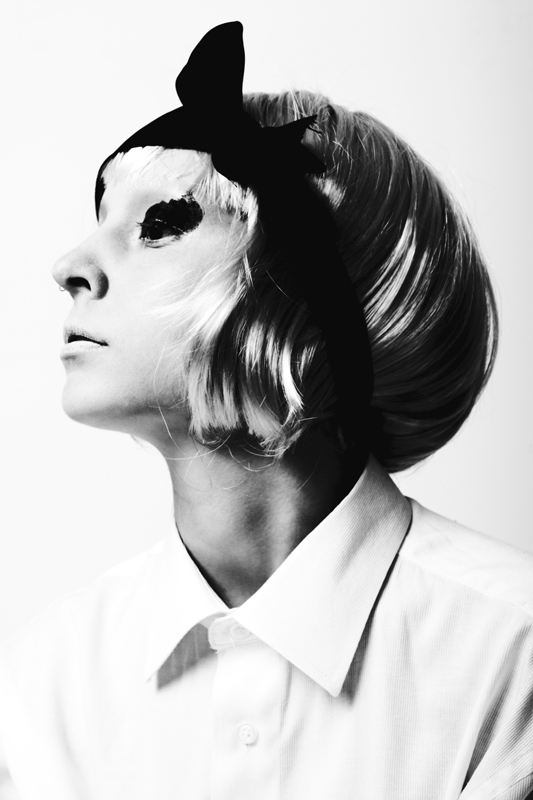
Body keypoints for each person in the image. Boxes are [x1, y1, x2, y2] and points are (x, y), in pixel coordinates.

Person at [0, 20, 531, 800]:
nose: (70, 266)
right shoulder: (47, 680)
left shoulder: (508, 653)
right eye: (101, 218)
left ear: (299, 289)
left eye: (160, 224)